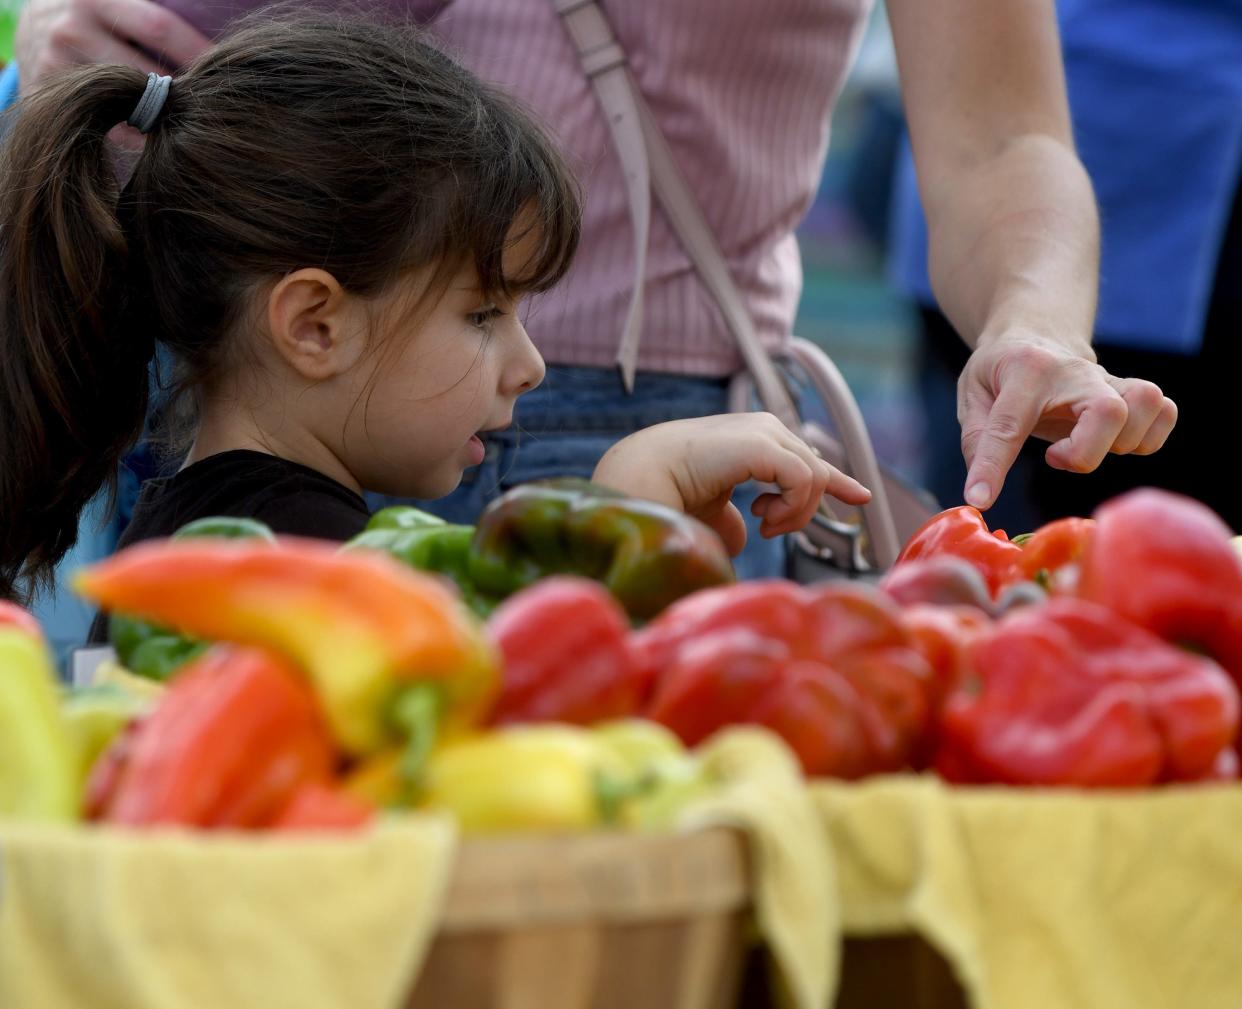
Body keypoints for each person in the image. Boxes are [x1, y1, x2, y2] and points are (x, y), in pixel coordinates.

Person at [0, 13, 869, 608]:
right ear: (314, 324)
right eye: (484, 314)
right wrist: (629, 499)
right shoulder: (304, 571)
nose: (529, 364)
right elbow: (502, 742)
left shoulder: (219, 532)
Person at [891, 0, 1242, 531]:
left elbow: (1001, 144)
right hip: (1043, 217)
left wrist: (1037, 328)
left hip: (1038, 264)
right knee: (993, 527)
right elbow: (994, 136)